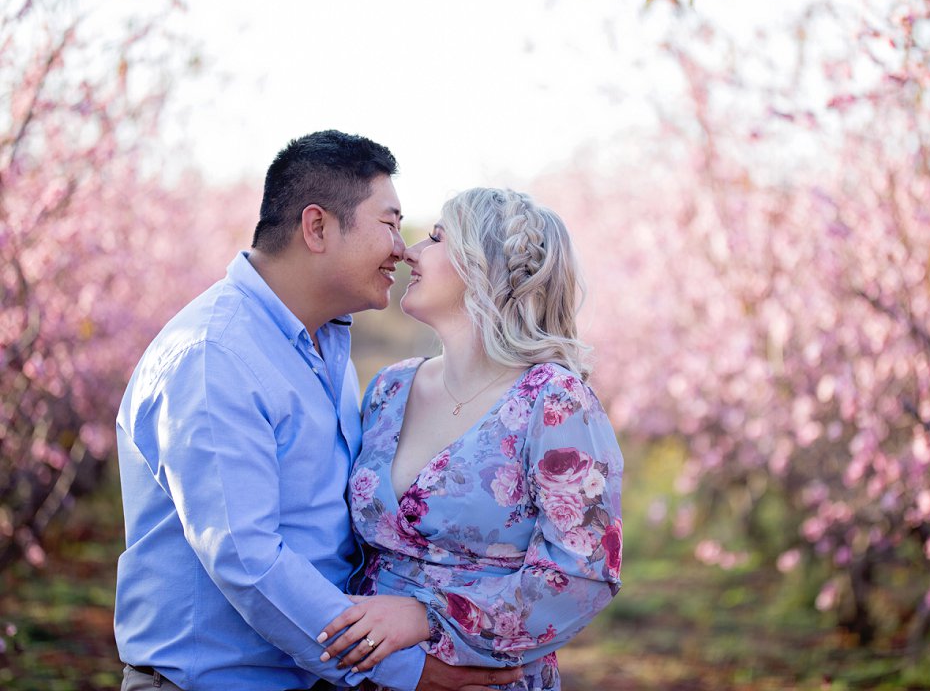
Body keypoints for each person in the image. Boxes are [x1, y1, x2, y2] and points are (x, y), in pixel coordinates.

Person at [114, 131, 523, 691]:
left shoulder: (325, 345)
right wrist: (407, 669)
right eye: (388, 222)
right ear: (317, 227)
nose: (403, 248)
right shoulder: (216, 356)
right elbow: (247, 558)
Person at [315, 188, 624, 690]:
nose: (410, 250)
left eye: (437, 238)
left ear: (485, 269)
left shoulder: (555, 400)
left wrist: (428, 617)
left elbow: (584, 574)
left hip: (481, 677)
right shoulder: (390, 388)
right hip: (364, 673)